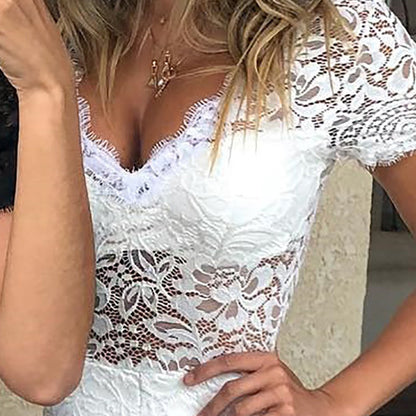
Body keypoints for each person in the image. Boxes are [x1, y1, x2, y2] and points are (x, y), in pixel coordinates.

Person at [1, 0, 416, 415]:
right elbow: (39, 367)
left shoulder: (337, 31)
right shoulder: (43, 25)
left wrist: (336, 403)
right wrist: (44, 89)